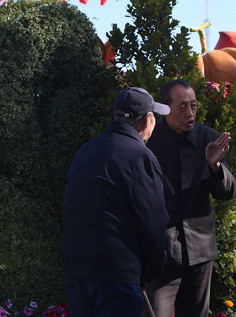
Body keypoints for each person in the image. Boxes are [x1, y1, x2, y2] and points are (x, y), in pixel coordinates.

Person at [62, 87, 171, 317]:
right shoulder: (139, 155)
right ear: (146, 121)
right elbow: (153, 223)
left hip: (78, 270)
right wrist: (148, 274)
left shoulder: (86, 151)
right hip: (117, 274)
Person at [146, 79, 236, 317]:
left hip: (200, 250)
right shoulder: (149, 142)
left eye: (194, 106)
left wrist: (215, 166)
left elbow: (227, 192)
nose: (190, 114)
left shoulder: (208, 138)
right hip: (163, 253)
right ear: (165, 110)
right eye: (182, 108)